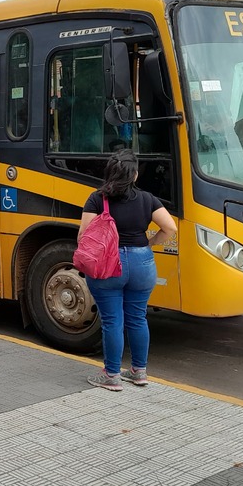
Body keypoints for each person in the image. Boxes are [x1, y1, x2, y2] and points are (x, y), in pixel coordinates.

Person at [80, 149, 176, 391]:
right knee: (137, 318)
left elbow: (84, 235)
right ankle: (138, 371)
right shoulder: (147, 199)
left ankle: (111, 374)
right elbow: (170, 227)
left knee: (112, 321)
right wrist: (150, 243)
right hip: (142, 263)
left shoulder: (97, 199)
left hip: (109, 266)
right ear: (134, 175)